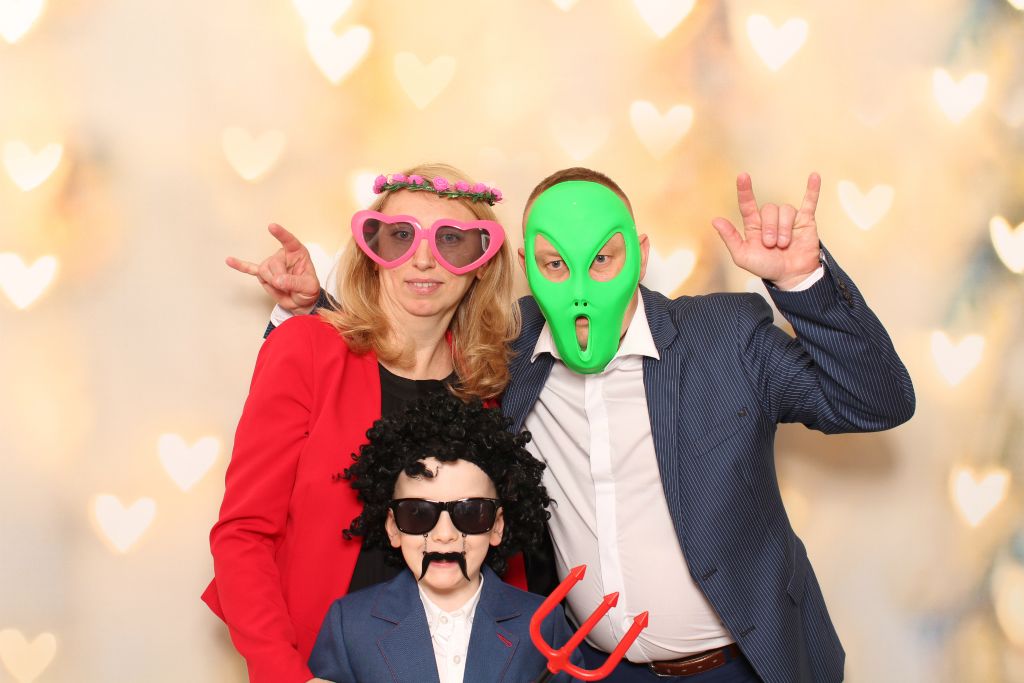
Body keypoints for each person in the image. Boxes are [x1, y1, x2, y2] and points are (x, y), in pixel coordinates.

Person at [250, 167, 916, 683]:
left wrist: (802, 282)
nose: (578, 287)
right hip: (592, 668)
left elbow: (875, 402)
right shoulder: (504, 355)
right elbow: (401, 355)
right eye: (554, 264)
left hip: (744, 663)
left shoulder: (723, 338)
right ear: (528, 269)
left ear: (639, 255)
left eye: (602, 260)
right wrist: (314, 308)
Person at [202, 163, 522, 683]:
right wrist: (285, 675)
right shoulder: (306, 350)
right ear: (372, 253)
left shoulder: (487, 385)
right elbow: (244, 534)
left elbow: (505, 546)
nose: (423, 259)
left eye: (451, 240)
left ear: (483, 261)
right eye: (400, 237)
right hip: (321, 664)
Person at [309, 395, 579, 683]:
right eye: (418, 513)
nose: (444, 535)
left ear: (497, 525)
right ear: (393, 527)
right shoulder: (349, 624)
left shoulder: (544, 623)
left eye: (470, 512)